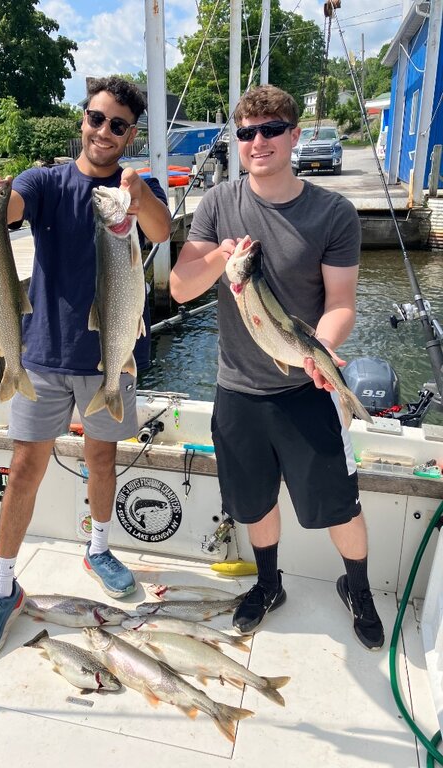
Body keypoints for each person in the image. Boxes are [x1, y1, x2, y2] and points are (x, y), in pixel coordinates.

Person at [0, 76, 171, 663]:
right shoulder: (48, 180)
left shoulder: (137, 188)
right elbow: (9, 207)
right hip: (43, 352)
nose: (104, 132)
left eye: (118, 125)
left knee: (102, 456)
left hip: (114, 352)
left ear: (131, 134)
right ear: (84, 119)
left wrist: (139, 194)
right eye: (97, 119)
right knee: (25, 464)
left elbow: (160, 230)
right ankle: (3, 587)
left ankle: (98, 548)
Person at [170, 84, 384, 651]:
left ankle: (357, 588)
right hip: (237, 389)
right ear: (237, 140)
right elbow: (180, 287)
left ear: (294, 135)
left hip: (306, 388)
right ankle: (269, 584)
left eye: (270, 130)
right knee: (255, 499)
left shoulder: (332, 212)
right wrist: (222, 256)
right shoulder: (217, 204)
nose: (257, 142)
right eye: (246, 132)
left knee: (339, 502)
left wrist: (324, 352)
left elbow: (340, 304)